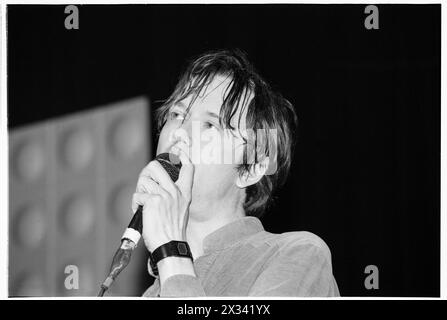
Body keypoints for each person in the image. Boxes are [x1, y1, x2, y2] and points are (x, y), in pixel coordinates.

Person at [132, 49, 340, 297]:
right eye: (177, 115)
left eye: (209, 124)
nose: (179, 132)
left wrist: (171, 253)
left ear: (252, 168)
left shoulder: (298, 254)